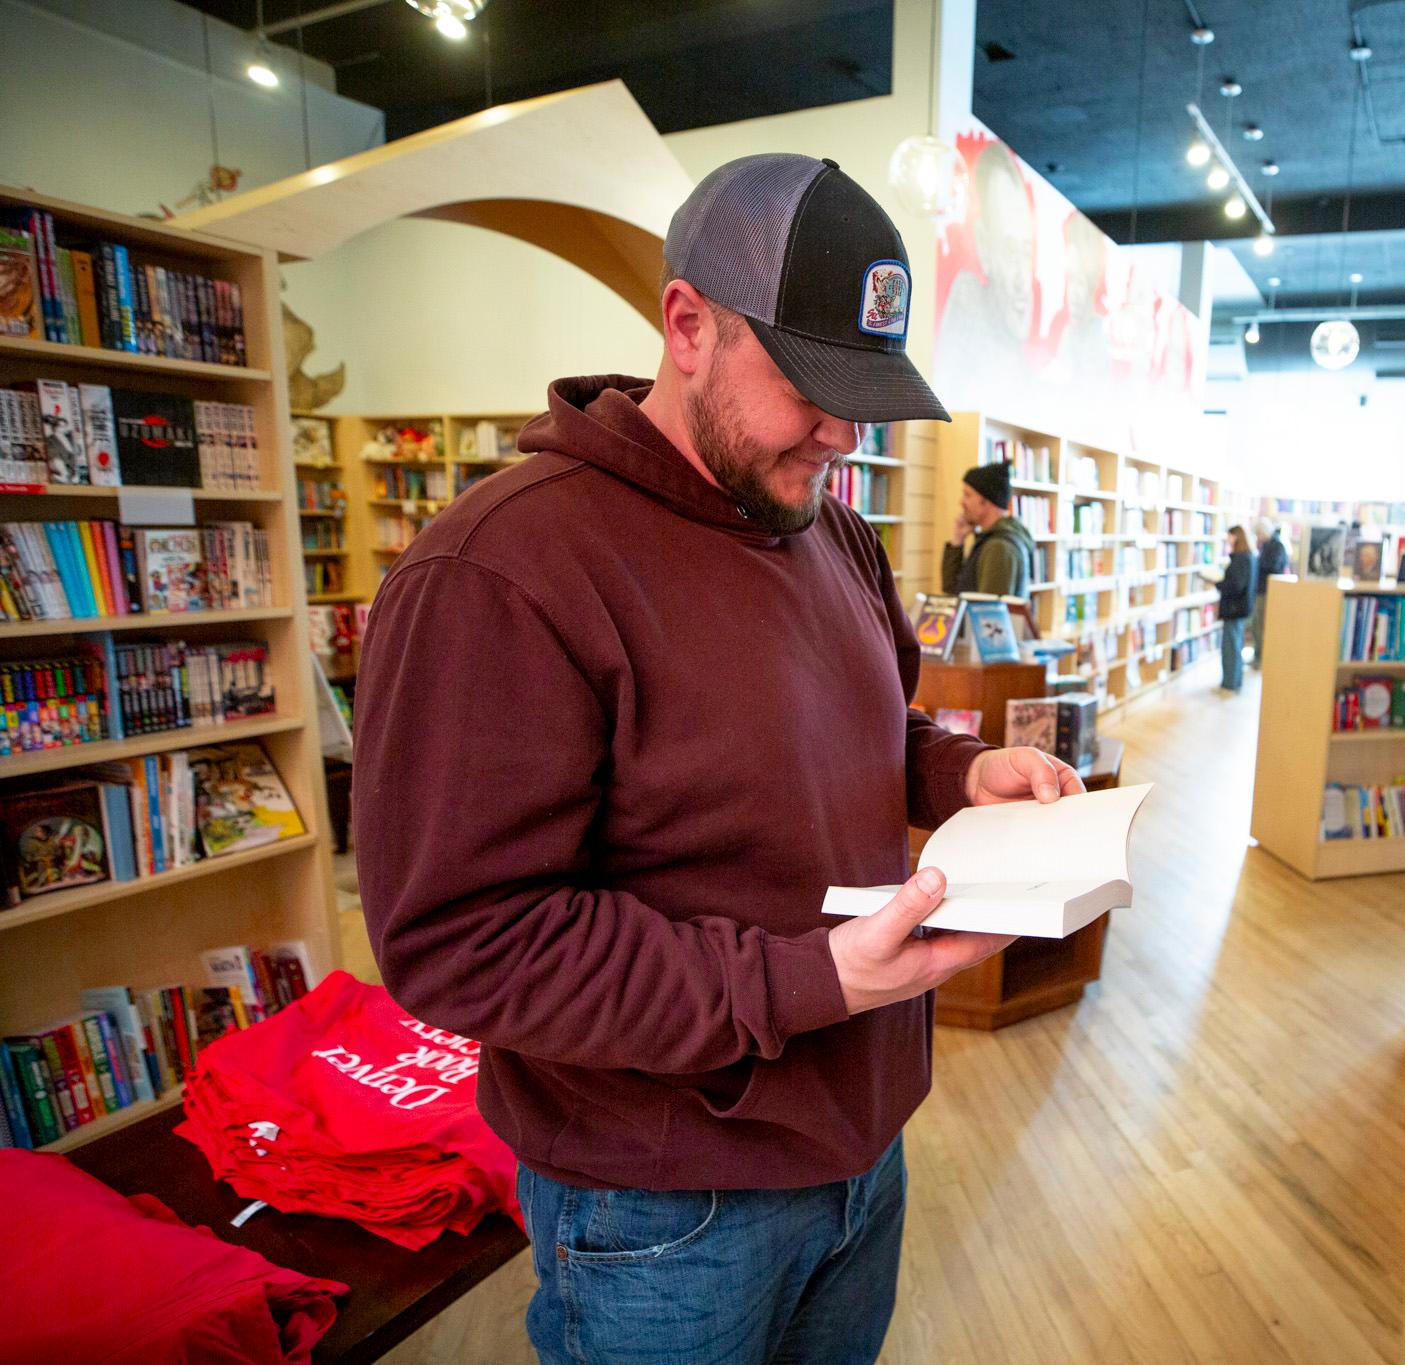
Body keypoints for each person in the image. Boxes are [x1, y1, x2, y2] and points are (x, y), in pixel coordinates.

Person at [351, 153, 1085, 1365]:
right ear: (686, 325)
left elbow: (868, 723)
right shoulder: (500, 572)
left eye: (867, 394)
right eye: (809, 384)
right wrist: (808, 984)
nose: (843, 433)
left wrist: (957, 773)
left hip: (866, 1143)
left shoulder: (828, 526)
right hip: (661, 1204)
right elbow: (458, 942)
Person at [942, 461, 1035, 597]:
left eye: (967, 495)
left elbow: (989, 612)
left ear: (986, 501)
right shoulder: (991, 541)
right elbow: (952, 592)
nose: (961, 502)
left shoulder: (999, 547)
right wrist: (958, 541)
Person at [1216, 525, 1255, 694]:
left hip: (1233, 609)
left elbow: (1236, 585)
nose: (1227, 539)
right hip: (1242, 608)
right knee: (1235, 644)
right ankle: (1234, 680)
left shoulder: (1239, 559)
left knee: (1230, 646)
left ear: (1236, 537)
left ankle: (1230, 683)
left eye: (1230, 536)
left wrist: (1219, 583)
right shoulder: (1249, 557)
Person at [1250, 517, 1290, 668]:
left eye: (1259, 534)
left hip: (1267, 591)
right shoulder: (1266, 545)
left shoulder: (1277, 545)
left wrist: (1258, 562)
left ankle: (1261, 659)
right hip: (1261, 590)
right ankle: (1257, 655)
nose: (1258, 538)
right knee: (1256, 625)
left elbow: (1275, 568)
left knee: (1261, 626)